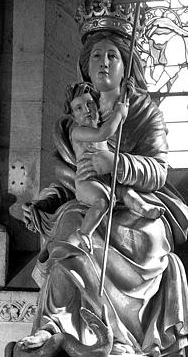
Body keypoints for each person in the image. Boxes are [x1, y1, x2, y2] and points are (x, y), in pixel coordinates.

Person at [20, 26, 188, 357]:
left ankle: (114, 337)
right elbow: (68, 180)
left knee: (129, 230)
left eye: (112, 56)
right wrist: (43, 204)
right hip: (90, 203)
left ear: (126, 65)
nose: (104, 63)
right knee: (70, 221)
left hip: (137, 210)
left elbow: (157, 171)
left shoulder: (144, 113)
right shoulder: (76, 119)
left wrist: (113, 161)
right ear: (85, 67)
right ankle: (54, 327)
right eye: (97, 56)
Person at [65, 81, 165, 253]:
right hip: (87, 181)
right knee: (104, 201)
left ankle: (143, 208)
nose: (87, 110)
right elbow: (105, 132)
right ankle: (84, 233)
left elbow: (117, 122)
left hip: (106, 179)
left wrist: (125, 98)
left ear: (96, 106)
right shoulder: (79, 132)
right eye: (79, 108)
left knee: (126, 191)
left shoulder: (101, 127)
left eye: (89, 104)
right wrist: (119, 111)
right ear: (73, 117)